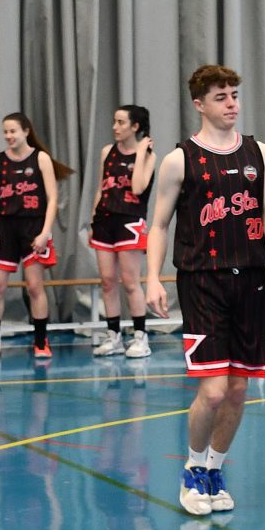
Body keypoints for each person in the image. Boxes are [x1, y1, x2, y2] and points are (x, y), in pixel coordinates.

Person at [145, 65, 265, 516]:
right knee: (214, 391)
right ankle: (192, 469)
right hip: (202, 282)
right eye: (221, 96)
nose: (231, 104)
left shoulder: (260, 153)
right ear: (199, 104)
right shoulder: (179, 160)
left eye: (235, 95)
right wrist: (152, 278)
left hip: (252, 282)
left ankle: (214, 470)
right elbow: (159, 225)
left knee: (239, 390)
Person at [0, 113, 74, 359]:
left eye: (13, 131)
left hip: (34, 226)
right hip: (5, 227)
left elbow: (52, 199)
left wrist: (45, 232)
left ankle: (41, 341)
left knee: (34, 287)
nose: (8, 136)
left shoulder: (40, 159)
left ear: (26, 131)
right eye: (5, 132)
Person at [90, 105, 156, 358]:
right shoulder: (107, 152)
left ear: (135, 127)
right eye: (114, 122)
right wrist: (93, 221)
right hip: (104, 222)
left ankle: (140, 337)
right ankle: (113, 336)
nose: (115, 127)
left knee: (130, 282)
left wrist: (139, 154)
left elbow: (138, 188)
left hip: (130, 222)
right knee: (108, 281)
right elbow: (101, 188)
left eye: (121, 123)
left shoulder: (149, 155)